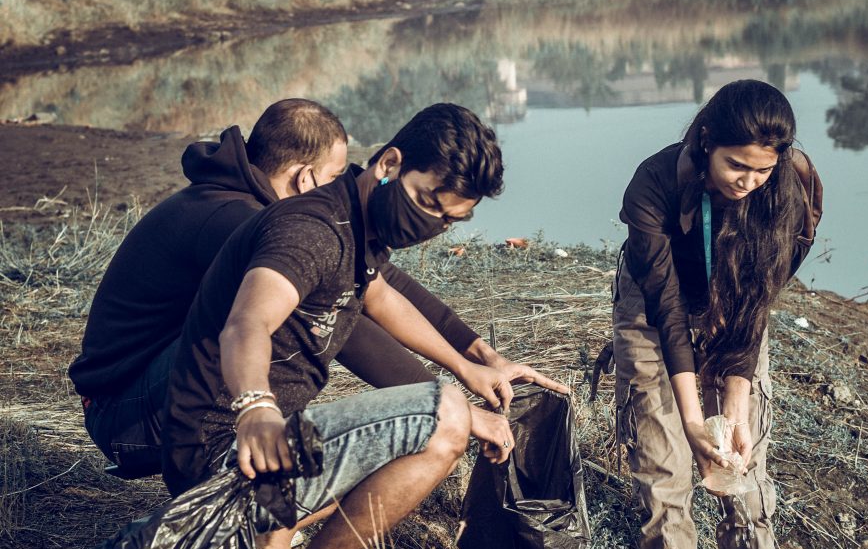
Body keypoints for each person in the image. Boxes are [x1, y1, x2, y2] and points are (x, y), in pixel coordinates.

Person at [159, 103, 538, 549]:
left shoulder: (356, 226)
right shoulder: (311, 230)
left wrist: (465, 363)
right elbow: (246, 324)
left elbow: (382, 298)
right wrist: (256, 409)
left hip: (264, 461)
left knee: (450, 399)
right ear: (389, 163)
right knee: (446, 416)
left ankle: (267, 541)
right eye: (428, 203)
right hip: (228, 456)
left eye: (452, 219)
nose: (434, 225)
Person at [70, 98, 561, 486]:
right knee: (309, 310)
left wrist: (475, 354)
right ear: (305, 177)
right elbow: (349, 320)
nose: (337, 190)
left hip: (156, 387)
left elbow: (381, 285)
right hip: (123, 412)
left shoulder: (277, 219)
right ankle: (224, 468)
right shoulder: (240, 220)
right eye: (331, 178)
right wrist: (445, 404)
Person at [612, 80, 823, 549]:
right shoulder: (653, 184)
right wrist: (690, 419)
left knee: (742, 467)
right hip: (653, 313)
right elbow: (667, 310)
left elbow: (758, 302)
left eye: (761, 170)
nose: (747, 181)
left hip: (737, 313)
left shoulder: (791, 187)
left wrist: (734, 404)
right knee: (664, 467)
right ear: (707, 139)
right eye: (736, 165)